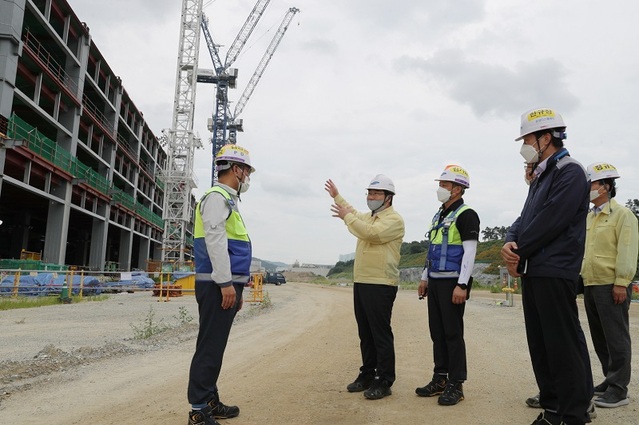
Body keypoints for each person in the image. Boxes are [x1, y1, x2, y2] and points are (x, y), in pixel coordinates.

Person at [501, 108, 594, 425]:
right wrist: (510, 242)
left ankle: (573, 413)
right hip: (535, 269)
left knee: (561, 344)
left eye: (527, 138)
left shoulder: (571, 172)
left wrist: (519, 252)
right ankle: (554, 408)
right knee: (541, 345)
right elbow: (524, 218)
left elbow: (550, 222)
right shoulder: (541, 176)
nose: (524, 144)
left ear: (546, 137)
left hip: (555, 270)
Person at [187, 144, 255, 425]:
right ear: (236, 169)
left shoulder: (228, 200)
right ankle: (199, 410)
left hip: (226, 285)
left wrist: (236, 287)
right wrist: (226, 283)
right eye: (247, 171)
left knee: (216, 346)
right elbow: (216, 242)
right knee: (210, 347)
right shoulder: (217, 198)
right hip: (217, 284)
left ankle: (210, 400)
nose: (248, 177)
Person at [325, 175, 405, 400]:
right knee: (366, 334)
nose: (371, 197)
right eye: (369, 193)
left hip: (381, 284)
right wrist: (337, 196)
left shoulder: (393, 220)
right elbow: (353, 213)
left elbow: (370, 233)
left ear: (388, 198)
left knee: (380, 334)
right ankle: (368, 373)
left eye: (377, 194)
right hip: (362, 282)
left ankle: (385, 379)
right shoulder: (370, 216)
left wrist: (346, 218)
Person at [415, 165, 480, 406]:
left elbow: (470, 252)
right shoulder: (439, 214)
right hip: (435, 281)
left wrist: (462, 285)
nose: (440, 189)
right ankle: (440, 378)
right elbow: (431, 249)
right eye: (440, 184)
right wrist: (424, 277)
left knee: (453, 333)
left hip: (454, 282)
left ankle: (456, 384)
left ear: (458, 189)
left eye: (444, 185)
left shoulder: (467, 214)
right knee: (438, 333)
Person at [582, 162, 638, 409]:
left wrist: (621, 282)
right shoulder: (589, 216)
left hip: (611, 285)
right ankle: (609, 378)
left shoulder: (622, 215)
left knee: (616, 338)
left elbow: (627, 251)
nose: (588, 188)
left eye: (591, 184)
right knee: (600, 337)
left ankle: (619, 389)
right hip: (591, 284)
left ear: (605, 187)